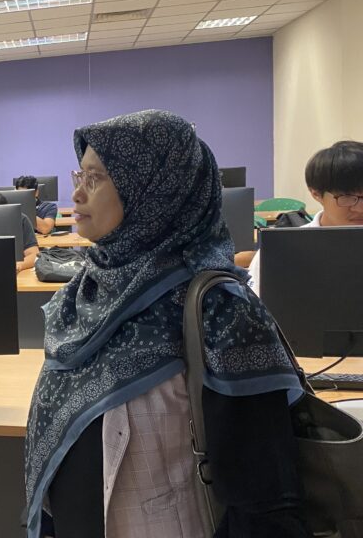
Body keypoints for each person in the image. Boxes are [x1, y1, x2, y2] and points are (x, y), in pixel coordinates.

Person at [25, 110, 306, 538]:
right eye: (79, 175)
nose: (77, 194)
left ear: (154, 192)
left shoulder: (220, 310)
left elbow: (264, 494)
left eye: (96, 178)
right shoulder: (85, 292)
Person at [248, 140, 363, 294]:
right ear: (316, 193)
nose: (360, 208)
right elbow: (254, 304)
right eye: (347, 197)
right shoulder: (281, 251)